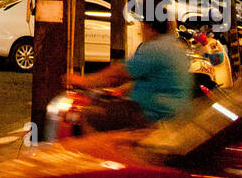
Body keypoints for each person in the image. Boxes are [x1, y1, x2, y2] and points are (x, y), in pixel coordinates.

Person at [64, 15, 192, 132]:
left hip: (152, 114)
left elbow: (118, 74)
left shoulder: (155, 48)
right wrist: (122, 91)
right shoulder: (175, 47)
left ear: (148, 26)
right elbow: (154, 80)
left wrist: (84, 81)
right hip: (173, 113)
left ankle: (89, 156)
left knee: (90, 114)